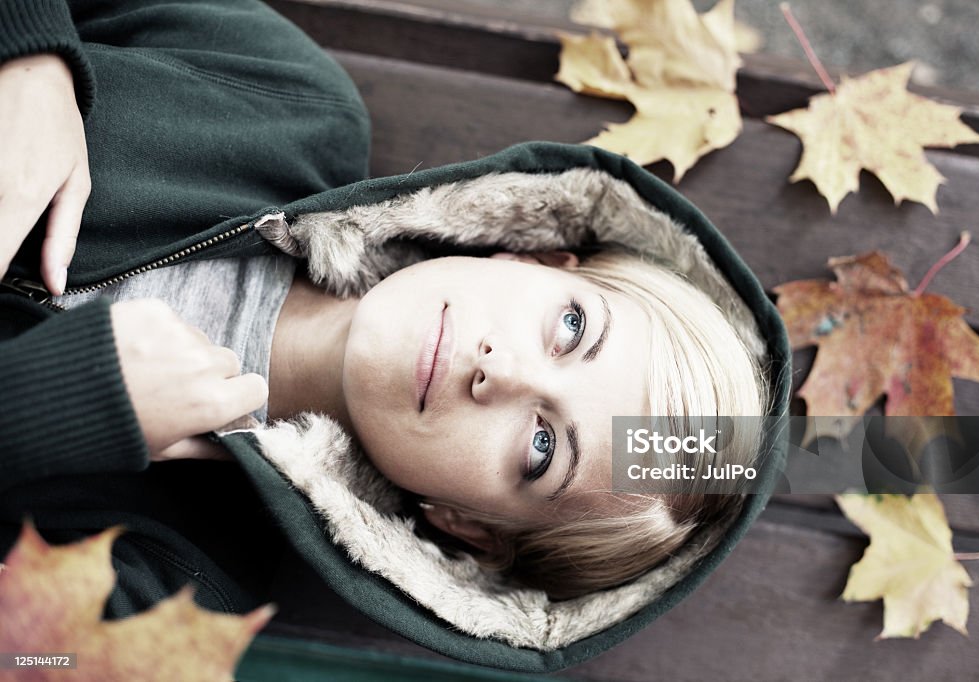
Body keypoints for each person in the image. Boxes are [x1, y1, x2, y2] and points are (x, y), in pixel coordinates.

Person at [0, 0, 789, 669]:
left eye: (543, 447)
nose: (500, 372)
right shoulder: (285, 103)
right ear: (537, 254)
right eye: (571, 327)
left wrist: (45, 412)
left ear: (467, 527)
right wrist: (31, 59)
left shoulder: (176, 597)